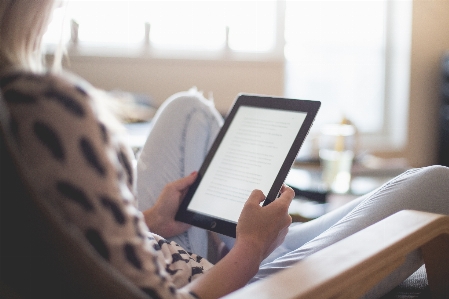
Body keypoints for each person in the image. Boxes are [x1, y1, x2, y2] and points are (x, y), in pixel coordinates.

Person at [0, 1, 448, 298]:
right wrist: (248, 250)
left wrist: (153, 219)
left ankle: (247, 237)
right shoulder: (41, 108)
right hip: (225, 286)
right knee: (436, 184)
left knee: (189, 110)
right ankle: (260, 243)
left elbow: (85, 241)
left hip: (166, 248)